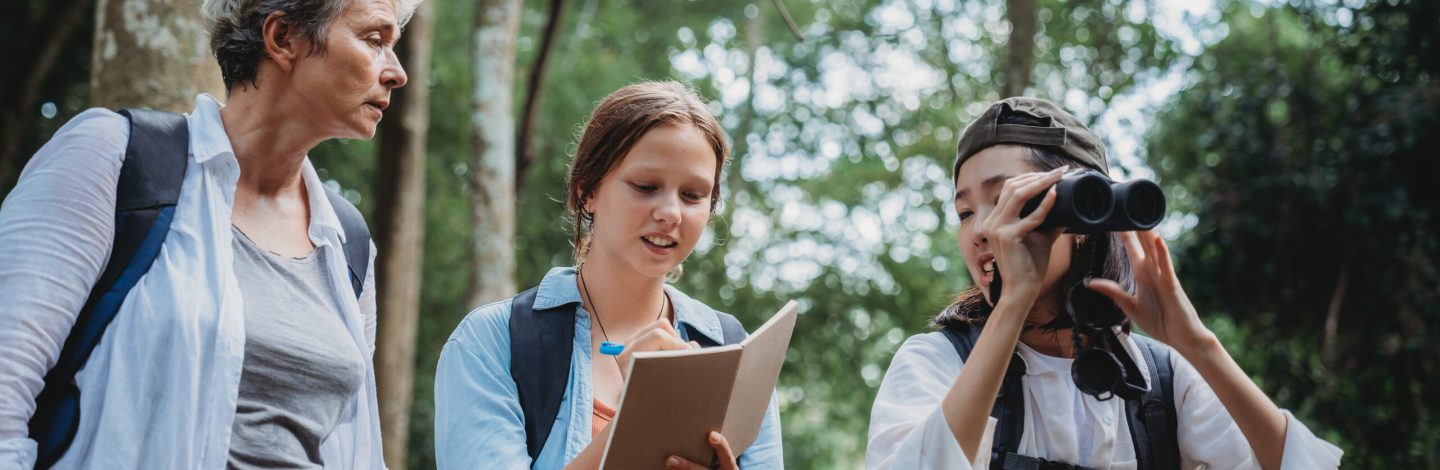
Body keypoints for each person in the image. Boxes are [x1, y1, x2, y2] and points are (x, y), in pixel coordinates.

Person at [0, 0, 419, 467]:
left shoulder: (346, 243)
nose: (397, 72)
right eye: (375, 41)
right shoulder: (116, 159)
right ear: (283, 39)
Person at [865, 97, 1344, 469]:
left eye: (1008, 199)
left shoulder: (1161, 380)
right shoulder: (936, 363)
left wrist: (1196, 344)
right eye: (966, 212)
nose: (983, 230)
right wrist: (1014, 301)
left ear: (1081, 216)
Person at [434, 81, 784, 470]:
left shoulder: (733, 354)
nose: (671, 212)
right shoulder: (494, 341)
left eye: (693, 195)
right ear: (587, 191)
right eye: (646, 187)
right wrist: (641, 418)